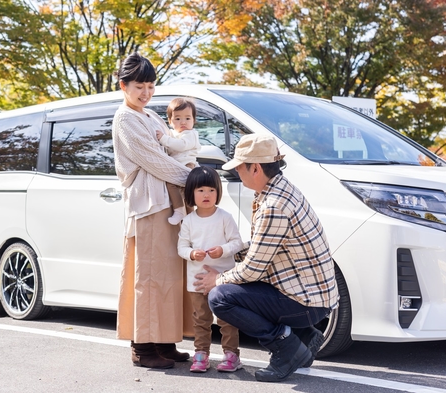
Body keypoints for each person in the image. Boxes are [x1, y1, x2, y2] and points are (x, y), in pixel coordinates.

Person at [193, 133, 339, 382]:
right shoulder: (283, 189)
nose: (238, 172)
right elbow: (266, 246)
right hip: (314, 297)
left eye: (239, 167)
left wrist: (216, 280)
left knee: (220, 298)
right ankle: (303, 336)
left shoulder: (273, 205)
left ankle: (286, 346)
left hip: (305, 303)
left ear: (255, 168)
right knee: (232, 289)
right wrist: (229, 250)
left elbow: (252, 271)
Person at [112, 53, 193, 369]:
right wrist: (195, 179)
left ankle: (164, 341)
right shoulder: (125, 118)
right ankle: (143, 348)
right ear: (124, 86)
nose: (145, 92)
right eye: (138, 86)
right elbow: (154, 160)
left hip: (168, 203)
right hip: (148, 206)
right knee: (148, 275)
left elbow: (175, 147)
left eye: (150, 86)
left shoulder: (151, 116)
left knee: (169, 275)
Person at [177, 166, 245, 373]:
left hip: (223, 280)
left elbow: (237, 243)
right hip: (196, 281)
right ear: (191, 193)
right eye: (200, 190)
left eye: (211, 190)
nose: (206, 195)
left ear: (218, 192)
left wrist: (222, 250)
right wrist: (191, 253)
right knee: (201, 319)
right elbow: (181, 247)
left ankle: (231, 355)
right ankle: (201, 354)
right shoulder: (188, 220)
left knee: (227, 319)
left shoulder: (224, 217)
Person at [155, 98, 201, 225]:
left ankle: (183, 212)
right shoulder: (173, 134)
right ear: (170, 121)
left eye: (187, 118)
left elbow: (181, 146)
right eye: (178, 118)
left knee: (179, 188)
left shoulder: (190, 134)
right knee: (181, 191)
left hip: (187, 165)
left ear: (193, 120)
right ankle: (185, 213)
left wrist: (163, 139)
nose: (183, 122)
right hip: (178, 165)